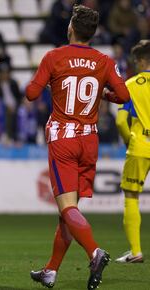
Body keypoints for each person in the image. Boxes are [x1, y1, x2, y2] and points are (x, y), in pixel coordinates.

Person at [25, 5, 130, 290]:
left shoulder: (54, 56)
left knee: (67, 207)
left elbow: (31, 93)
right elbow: (123, 95)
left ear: (71, 27)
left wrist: (49, 83)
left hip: (64, 139)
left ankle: (95, 252)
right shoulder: (104, 61)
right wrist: (102, 94)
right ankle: (51, 271)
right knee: (67, 213)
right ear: (93, 33)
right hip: (90, 140)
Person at [115, 40, 150, 264]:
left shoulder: (129, 84)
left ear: (139, 61)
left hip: (140, 145)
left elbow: (120, 122)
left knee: (131, 197)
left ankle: (136, 251)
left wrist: (130, 141)